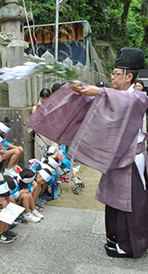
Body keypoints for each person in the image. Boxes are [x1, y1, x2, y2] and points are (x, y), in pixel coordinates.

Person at [27, 47, 148, 258]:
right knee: (114, 201)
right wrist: (80, 93)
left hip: (130, 160)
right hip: (116, 158)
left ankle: (130, 245)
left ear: (129, 77)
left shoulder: (137, 97)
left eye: (116, 74)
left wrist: (97, 91)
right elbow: (96, 108)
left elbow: (118, 100)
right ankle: (115, 237)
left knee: (129, 203)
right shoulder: (115, 95)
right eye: (112, 73)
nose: (112, 77)